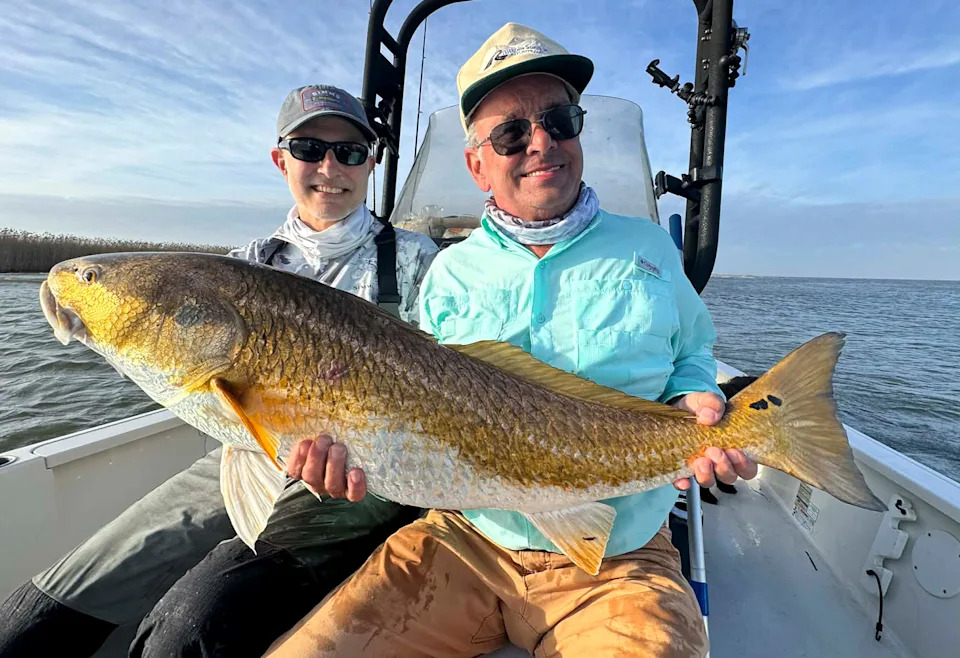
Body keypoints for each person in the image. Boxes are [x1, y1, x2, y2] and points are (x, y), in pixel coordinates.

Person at [267, 24, 758, 658]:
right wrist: (338, 455)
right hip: (465, 539)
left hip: (620, 555)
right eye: (511, 134)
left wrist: (697, 396)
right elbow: (405, 402)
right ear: (477, 163)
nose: (542, 143)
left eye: (560, 120)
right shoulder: (448, 273)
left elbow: (693, 351)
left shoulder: (648, 249)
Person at [0, 84, 437, 658]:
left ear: (371, 164)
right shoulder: (245, 262)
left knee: (184, 632)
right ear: (281, 160)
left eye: (350, 152)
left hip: (357, 472)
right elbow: (185, 365)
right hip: (242, 451)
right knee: (32, 620)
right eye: (309, 148)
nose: (330, 167)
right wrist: (99, 320)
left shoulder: (423, 259)